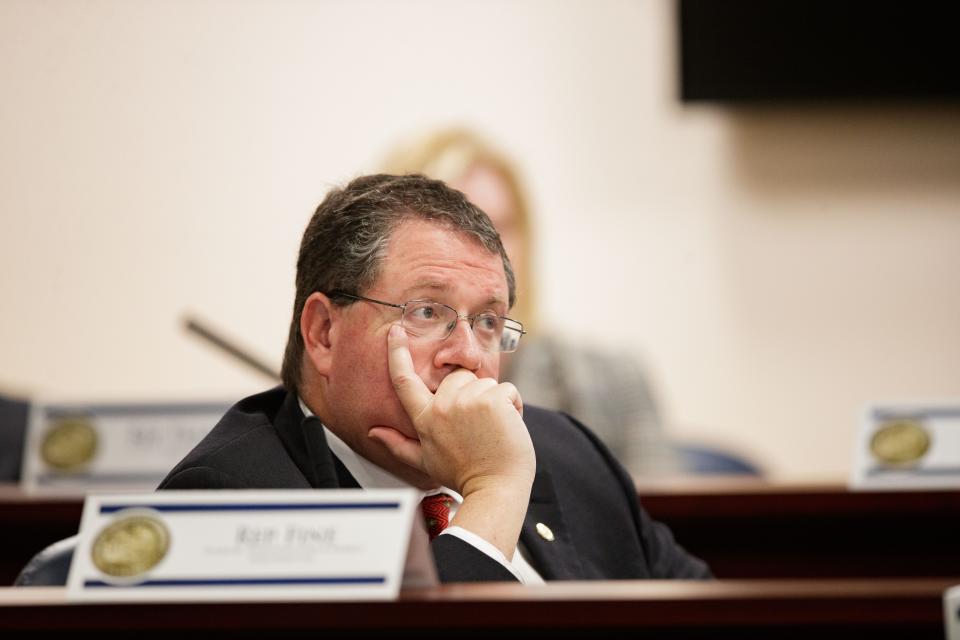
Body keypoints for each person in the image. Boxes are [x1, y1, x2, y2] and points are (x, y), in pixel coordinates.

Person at [159, 174, 710, 583]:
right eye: (427, 313)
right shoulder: (227, 502)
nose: (468, 355)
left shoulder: (567, 454)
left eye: (489, 321)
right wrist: (492, 494)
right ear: (324, 333)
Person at [382, 129, 681, 478]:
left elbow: (653, 523)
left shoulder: (615, 379)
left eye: (498, 227)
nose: (484, 247)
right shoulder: (375, 387)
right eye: (456, 227)